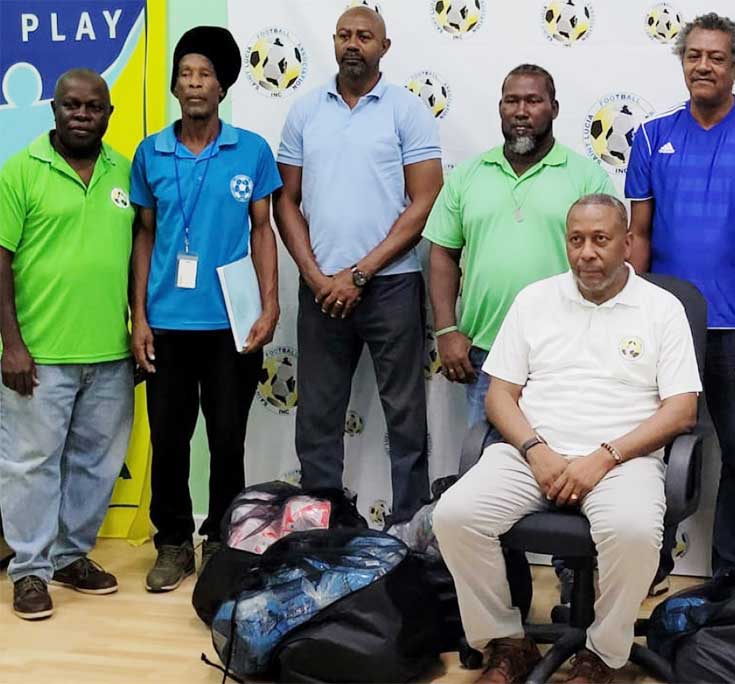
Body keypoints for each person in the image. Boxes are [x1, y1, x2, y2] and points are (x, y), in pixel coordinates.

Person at [433, 195, 701, 684]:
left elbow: (682, 410)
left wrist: (604, 457)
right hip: (534, 451)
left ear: (627, 241)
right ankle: (508, 643)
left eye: (600, 239)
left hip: (624, 459)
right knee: (454, 515)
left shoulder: (662, 309)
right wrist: (536, 452)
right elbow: (500, 397)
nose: (587, 253)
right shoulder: (535, 299)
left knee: (635, 531)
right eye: (576, 240)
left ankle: (603, 652)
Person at [625, 13, 735, 577]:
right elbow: (639, 238)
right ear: (682, 62)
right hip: (665, 329)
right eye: (693, 55)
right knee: (651, 454)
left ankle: (734, 578)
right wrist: (629, 324)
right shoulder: (650, 136)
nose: (703, 66)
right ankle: (645, 568)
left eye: (716, 57)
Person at [274, 5, 442, 526]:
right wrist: (316, 275)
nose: (353, 44)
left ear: (383, 47)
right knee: (317, 414)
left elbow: (424, 200)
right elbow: (285, 201)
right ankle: (321, 526)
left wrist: (360, 273)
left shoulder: (406, 110)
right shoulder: (305, 111)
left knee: (406, 414)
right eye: (345, 35)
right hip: (320, 289)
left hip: (391, 286)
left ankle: (408, 525)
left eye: (365, 36)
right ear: (333, 42)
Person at [131, 26, 282, 592]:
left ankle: (221, 539)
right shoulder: (151, 152)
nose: (194, 83)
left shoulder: (251, 151)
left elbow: (263, 230)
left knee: (227, 437)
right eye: (185, 73)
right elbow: (144, 237)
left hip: (231, 327)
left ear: (223, 87)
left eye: (205, 75)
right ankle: (172, 544)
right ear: (174, 85)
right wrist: (140, 317)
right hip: (167, 325)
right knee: (169, 440)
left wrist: (269, 308)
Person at [0, 69, 135, 619]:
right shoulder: (20, 171)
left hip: (110, 354)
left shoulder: (123, 170)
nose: (82, 114)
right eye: (70, 105)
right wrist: (11, 344)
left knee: (96, 465)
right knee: (30, 465)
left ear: (108, 112)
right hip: (38, 355)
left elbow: (137, 258)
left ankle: (70, 557)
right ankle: (29, 571)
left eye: (93, 107)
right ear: (53, 110)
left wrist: (137, 331)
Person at [424, 63, 613, 427]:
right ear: (500, 108)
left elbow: (612, 259)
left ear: (554, 109)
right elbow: (443, 254)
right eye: (512, 101)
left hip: (566, 353)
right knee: (485, 469)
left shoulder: (586, 177)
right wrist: (447, 330)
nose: (521, 112)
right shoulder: (469, 174)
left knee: (560, 463)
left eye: (533, 101)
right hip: (486, 353)